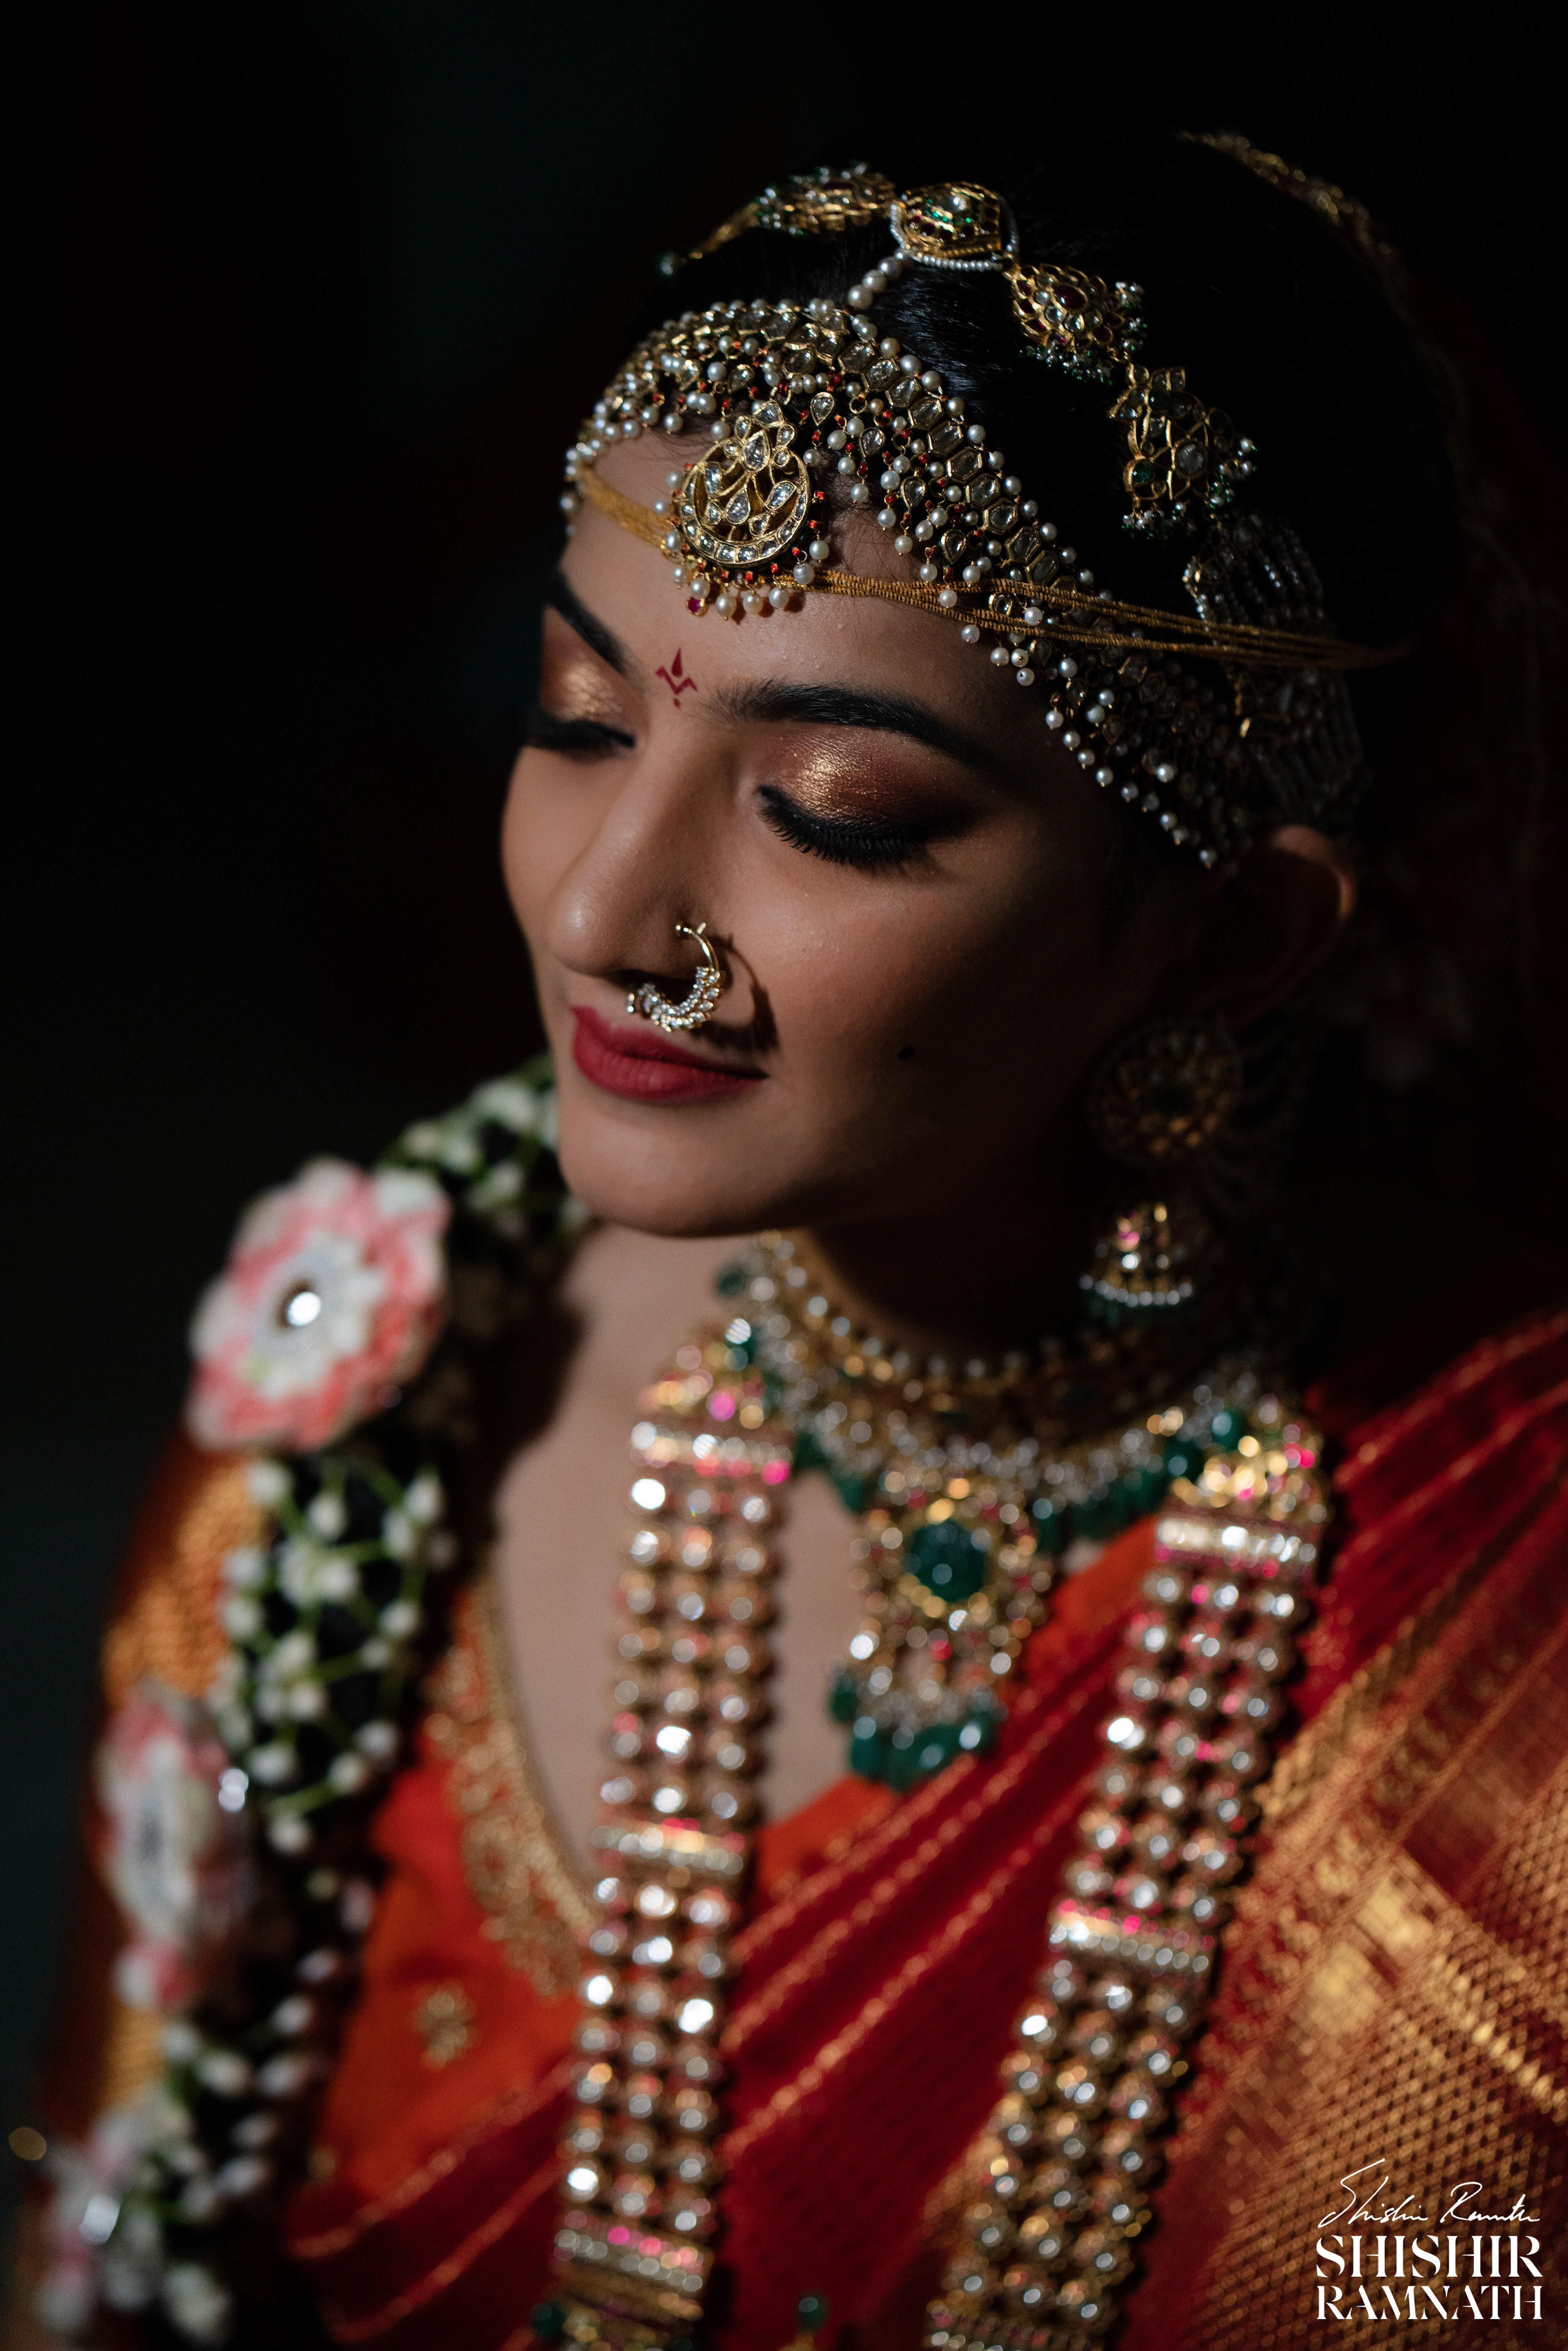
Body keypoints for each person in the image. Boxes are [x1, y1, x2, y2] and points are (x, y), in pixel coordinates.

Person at [13, 127, 1566, 2351]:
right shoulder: (358, 1416)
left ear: (1225, 934)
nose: (596, 910)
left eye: (830, 815)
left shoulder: (1513, 1634)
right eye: (569, 719)